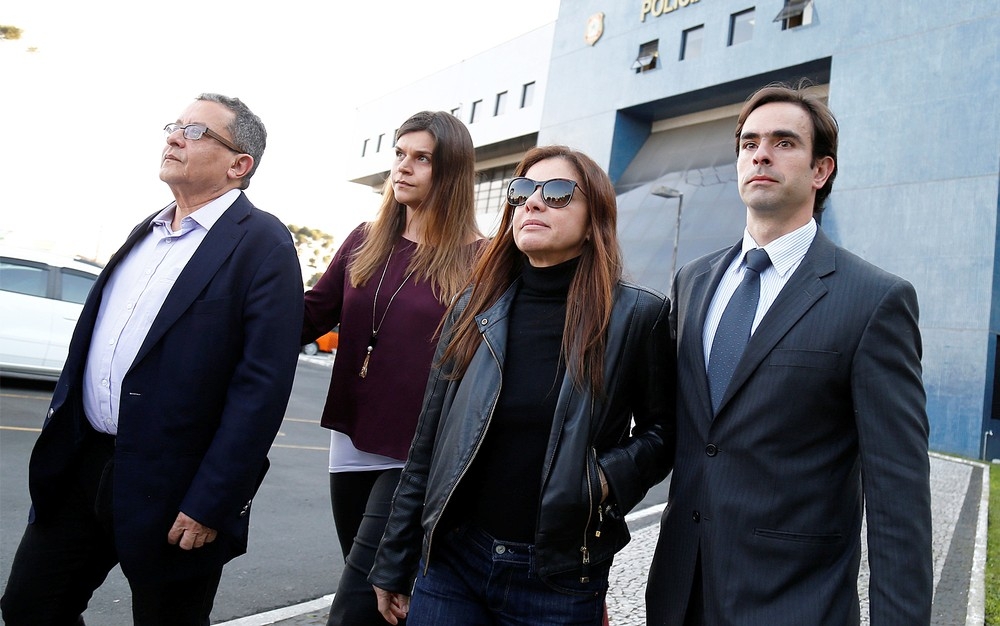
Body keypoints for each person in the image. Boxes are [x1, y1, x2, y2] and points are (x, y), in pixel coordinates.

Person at [0, 93, 304, 626]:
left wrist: (213, 500)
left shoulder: (263, 244)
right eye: (174, 126)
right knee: (29, 607)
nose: (173, 137)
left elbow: (262, 386)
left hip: (175, 487)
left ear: (240, 165)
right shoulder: (149, 229)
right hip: (82, 466)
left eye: (194, 131)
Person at [645, 82, 933, 625]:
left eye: (783, 142)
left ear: (821, 171)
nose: (761, 153)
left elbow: (899, 497)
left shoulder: (873, 301)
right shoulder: (693, 282)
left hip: (795, 603)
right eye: (749, 142)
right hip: (678, 596)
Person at [369, 145, 676, 626]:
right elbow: (428, 443)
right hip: (453, 562)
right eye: (522, 191)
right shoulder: (474, 307)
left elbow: (663, 432)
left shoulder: (637, 316)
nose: (532, 203)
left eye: (556, 193)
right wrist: (395, 558)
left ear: (593, 216)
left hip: (557, 573)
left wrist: (600, 481)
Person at [302, 110, 483, 626]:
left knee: (356, 606)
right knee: (382, 599)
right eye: (399, 154)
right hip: (352, 440)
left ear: (450, 172)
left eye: (421, 158)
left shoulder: (483, 259)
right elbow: (311, 315)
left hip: (416, 454)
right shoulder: (365, 238)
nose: (403, 168)